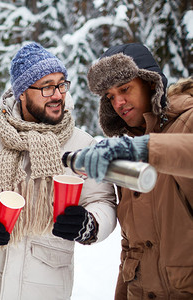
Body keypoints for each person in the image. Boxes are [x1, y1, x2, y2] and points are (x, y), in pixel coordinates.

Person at [0, 42, 117, 300]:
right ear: (22, 93)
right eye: (46, 87)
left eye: (61, 84)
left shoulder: (83, 145)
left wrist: (91, 223)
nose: (57, 94)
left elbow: (103, 201)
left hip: (46, 286)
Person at [73, 43, 193, 299]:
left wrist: (142, 148)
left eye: (125, 89)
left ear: (150, 83)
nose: (118, 102)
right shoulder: (126, 150)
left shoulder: (187, 121)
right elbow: (131, 248)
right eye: (110, 96)